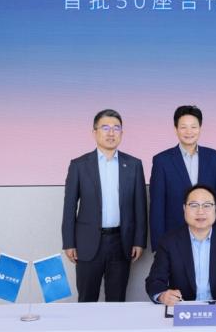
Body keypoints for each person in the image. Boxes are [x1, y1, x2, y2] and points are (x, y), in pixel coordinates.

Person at [61, 109, 147, 302]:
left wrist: (139, 241)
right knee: (86, 299)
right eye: (105, 128)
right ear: (94, 132)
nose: (111, 133)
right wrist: (69, 242)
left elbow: (140, 207)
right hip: (87, 243)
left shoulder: (134, 165)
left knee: (117, 300)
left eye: (116, 128)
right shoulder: (79, 165)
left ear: (122, 133)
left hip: (121, 242)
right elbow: (69, 207)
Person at [150, 105, 216, 249]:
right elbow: (157, 206)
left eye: (193, 127)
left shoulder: (215, 158)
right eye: (183, 127)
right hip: (174, 236)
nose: (189, 132)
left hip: (210, 235)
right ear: (176, 129)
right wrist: (158, 245)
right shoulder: (162, 161)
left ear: (200, 128)